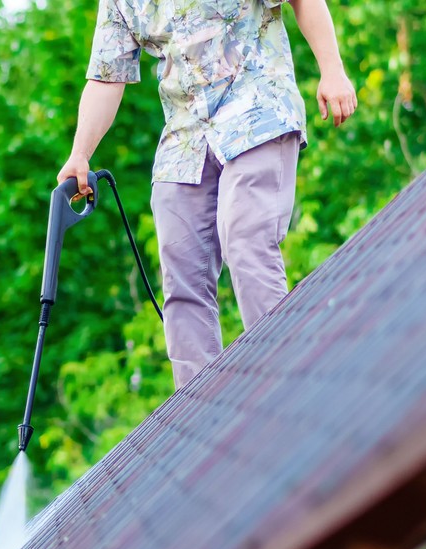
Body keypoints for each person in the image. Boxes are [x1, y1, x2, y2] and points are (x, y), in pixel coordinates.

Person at [58, 0, 357, 387]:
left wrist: (332, 70)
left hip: (256, 104)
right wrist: (80, 153)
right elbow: (105, 76)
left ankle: (285, 383)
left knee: (245, 235)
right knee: (181, 271)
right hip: (186, 135)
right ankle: (201, 413)